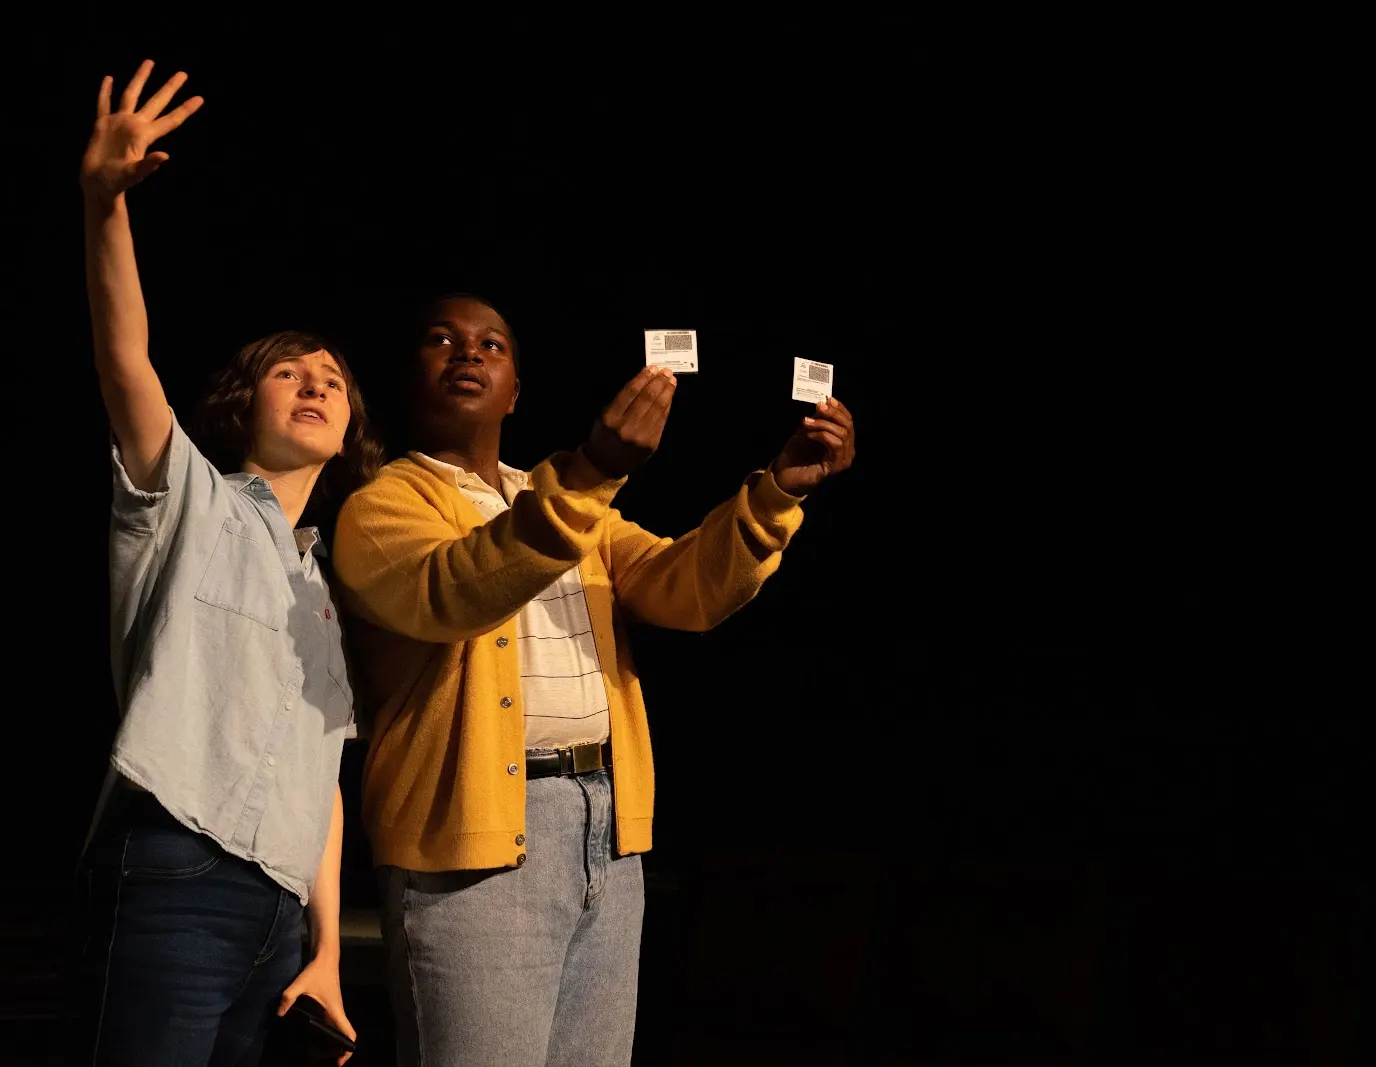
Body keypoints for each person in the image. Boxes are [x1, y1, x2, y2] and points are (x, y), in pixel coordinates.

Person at [331, 293, 856, 1065]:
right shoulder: (382, 506)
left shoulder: (572, 507)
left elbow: (685, 588)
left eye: (492, 345)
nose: (468, 353)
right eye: (442, 340)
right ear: (408, 377)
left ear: (517, 392)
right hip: (476, 850)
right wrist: (592, 472)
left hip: (606, 832)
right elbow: (455, 589)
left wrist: (777, 494)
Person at [71, 59, 373, 1064]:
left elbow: (321, 774)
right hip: (178, 870)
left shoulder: (325, 587)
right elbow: (127, 362)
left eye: (331, 377)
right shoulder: (189, 496)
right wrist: (104, 205)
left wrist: (326, 946)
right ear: (246, 400)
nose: (314, 383)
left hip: (278, 917)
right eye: (289, 370)